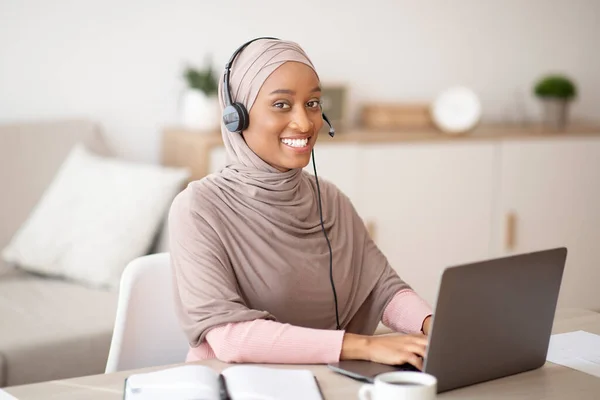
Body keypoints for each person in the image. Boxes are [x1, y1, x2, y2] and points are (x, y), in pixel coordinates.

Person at [168, 37, 433, 370]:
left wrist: (431, 324)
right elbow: (229, 336)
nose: (306, 123)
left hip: (325, 378)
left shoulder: (330, 200)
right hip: (234, 382)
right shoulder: (198, 208)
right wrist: (363, 345)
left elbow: (382, 287)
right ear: (236, 117)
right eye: (281, 105)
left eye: (313, 103)